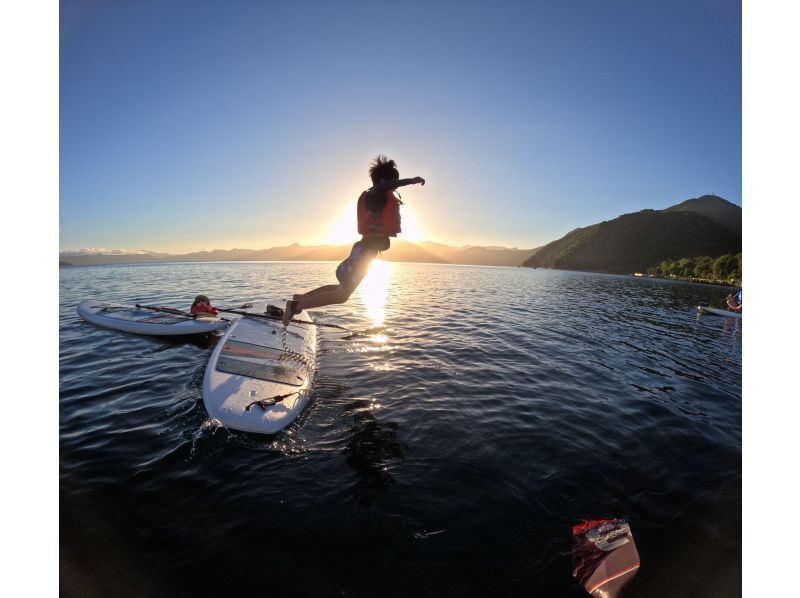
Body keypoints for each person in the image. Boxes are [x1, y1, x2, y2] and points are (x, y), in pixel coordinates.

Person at [283, 155, 425, 326]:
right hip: (365, 253)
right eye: (394, 181)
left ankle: (300, 298)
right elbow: (383, 186)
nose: (395, 185)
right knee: (342, 295)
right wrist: (411, 181)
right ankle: (295, 306)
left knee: (340, 289)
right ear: (383, 181)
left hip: (365, 252)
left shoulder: (377, 196)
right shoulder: (376, 194)